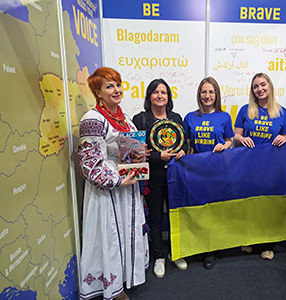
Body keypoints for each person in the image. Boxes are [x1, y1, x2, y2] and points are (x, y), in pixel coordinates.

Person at [78, 67, 149, 300]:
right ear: (98, 92)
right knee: (110, 235)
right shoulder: (92, 119)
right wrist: (118, 180)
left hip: (128, 187)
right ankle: (114, 289)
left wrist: (140, 154)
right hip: (108, 191)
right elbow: (90, 163)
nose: (117, 90)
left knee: (127, 233)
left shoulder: (124, 116)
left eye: (118, 84)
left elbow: (126, 148)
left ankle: (126, 276)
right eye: (109, 86)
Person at [132, 79, 188, 279]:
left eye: (163, 92)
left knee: (176, 215)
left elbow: (184, 145)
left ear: (168, 96)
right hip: (152, 178)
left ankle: (177, 253)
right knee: (155, 218)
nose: (159, 95)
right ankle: (159, 257)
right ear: (149, 96)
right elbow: (134, 154)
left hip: (175, 176)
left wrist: (182, 152)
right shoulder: (140, 120)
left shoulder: (176, 118)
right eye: (155, 92)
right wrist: (158, 157)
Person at [234, 73, 286, 260]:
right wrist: (242, 138)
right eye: (255, 87)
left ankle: (268, 245)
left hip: (273, 167)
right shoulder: (245, 110)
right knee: (250, 203)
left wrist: (285, 138)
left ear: (270, 86)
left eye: (263, 85)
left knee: (269, 204)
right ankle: (249, 239)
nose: (259, 89)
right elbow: (235, 135)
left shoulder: (282, 112)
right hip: (249, 165)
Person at [183, 77, 234, 269]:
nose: (207, 95)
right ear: (199, 94)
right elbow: (187, 145)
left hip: (217, 169)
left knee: (213, 209)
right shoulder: (190, 117)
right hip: (196, 169)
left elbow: (230, 140)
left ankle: (211, 249)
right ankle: (197, 245)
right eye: (204, 92)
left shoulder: (224, 116)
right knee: (197, 208)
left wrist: (225, 145)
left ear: (216, 94)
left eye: (211, 92)